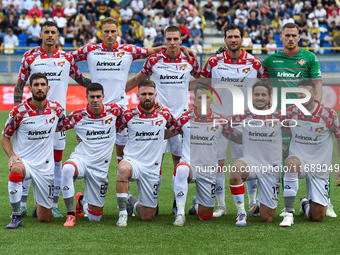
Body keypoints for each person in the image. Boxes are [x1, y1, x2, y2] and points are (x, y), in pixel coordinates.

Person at [15, 21, 91, 218]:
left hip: (58, 119)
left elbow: (81, 80)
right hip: (33, 117)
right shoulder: (30, 56)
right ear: (40, 34)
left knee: (57, 161)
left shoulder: (66, 57)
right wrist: (17, 112)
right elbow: (20, 84)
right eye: (46, 32)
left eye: (53, 32)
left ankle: (53, 203)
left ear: (58, 36)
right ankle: (22, 204)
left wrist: (103, 88)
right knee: (29, 160)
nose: (50, 35)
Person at [261, 23, 337, 217]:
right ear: (281, 37)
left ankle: (324, 201)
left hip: (305, 120)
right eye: (287, 35)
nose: (291, 39)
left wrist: (315, 113)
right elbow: (260, 82)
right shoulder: (270, 60)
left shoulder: (309, 58)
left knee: (316, 156)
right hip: (283, 121)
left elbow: (317, 86)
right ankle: (285, 206)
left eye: (294, 35)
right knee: (284, 161)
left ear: (299, 37)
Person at [125, 25, 201, 213]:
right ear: (164, 40)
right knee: (154, 161)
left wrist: (185, 85)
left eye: (176, 39)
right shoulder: (154, 60)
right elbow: (137, 81)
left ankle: (178, 204)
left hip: (181, 119)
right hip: (157, 118)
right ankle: (152, 202)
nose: (173, 42)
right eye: (169, 39)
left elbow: (202, 80)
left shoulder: (190, 60)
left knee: (179, 162)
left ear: (181, 40)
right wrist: (113, 95)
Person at [199, 24, 268, 217]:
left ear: (242, 39)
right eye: (230, 37)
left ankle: (253, 203)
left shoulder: (255, 63)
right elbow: (203, 87)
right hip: (218, 121)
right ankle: (221, 205)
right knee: (218, 164)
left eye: (236, 36)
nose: (233, 40)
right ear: (225, 40)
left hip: (244, 122)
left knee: (247, 162)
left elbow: (265, 89)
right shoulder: (213, 62)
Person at [168, 85, 242, 226]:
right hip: (189, 165)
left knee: (205, 216)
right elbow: (166, 133)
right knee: (181, 169)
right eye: (200, 97)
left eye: (207, 97)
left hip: (208, 170)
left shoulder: (220, 121)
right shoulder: (184, 118)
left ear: (211, 100)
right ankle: (180, 214)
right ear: (194, 100)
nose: (203, 101)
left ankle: (197, 206)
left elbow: (237, 138)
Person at [2, 73, 64, 229]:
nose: (40, 88)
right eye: (36, 85)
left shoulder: (56, 109)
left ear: (48, 88)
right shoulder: (18, 112)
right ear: (30, 89)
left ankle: (40, 206)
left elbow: (66, 124)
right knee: (16, 168)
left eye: (43, 85)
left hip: (45, 168)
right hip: (25, 163)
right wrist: (12, 156)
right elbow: (4, 137)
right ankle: (16, 215)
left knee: (45, 219)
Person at [58, 83, 124, 227]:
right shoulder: (78, 115)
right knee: (67, 169)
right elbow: (57, 127)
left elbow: (132, 116)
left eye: (98, 96)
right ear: (86, 97)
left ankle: (81, 200)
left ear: (103, 97)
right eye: (92, 97)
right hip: (82, 159)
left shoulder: (114, 110)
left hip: (100, 168)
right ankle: (70, 215)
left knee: (95, 219)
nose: (95, 99)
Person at [115, 80, 176, 227]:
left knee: (148, 216)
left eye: (150, 94)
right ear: (138, 96)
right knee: (123, 169)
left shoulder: (165, 114)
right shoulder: (128, 115)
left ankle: (129, 199)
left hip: (151, 168)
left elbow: (177, 129)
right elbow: (112, 130)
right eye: (143, 94)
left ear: (155, 95)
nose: (147, 97)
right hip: (133, 161)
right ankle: (122, 214)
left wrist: (159, 134)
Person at [280, 79, 340, 227]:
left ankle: (305, 204)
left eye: (306, 93)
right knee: (291, 163)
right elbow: (279, 131)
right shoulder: (290, 113)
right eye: (300, 94)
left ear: (314, 93)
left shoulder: (329, 115)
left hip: (319, 168)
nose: (303, 96)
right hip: (299, 162)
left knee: (317, 217)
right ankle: (288, 213)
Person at [228, 81, 288, 226]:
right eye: (256, 95)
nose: (260, 98)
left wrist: (286, 145)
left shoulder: (280, 116)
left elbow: (296, 132)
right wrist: (240, 138)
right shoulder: (244, 115)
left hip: (271, 168)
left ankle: (259, 204)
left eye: (263, 95)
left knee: (267, 219)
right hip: (251, 162)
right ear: (252, 97)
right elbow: (225, 127)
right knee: (236, 168)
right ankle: (241, 213)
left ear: (269, 98)